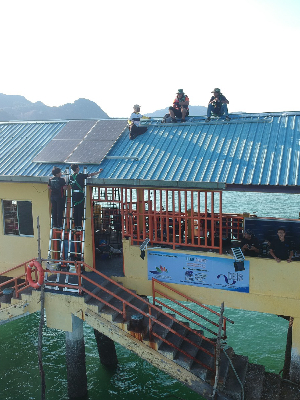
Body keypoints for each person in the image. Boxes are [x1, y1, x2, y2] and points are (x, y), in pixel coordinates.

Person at [70, 165, 103, 229]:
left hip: (74, 194)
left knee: (75, 210)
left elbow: (70, 186)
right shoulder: (80, 176)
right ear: (77, 169)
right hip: (79, 194)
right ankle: (79, 225)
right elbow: (90, 175)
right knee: (80, 210)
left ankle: (76, 225)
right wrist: (98, 172)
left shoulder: (71, 177)